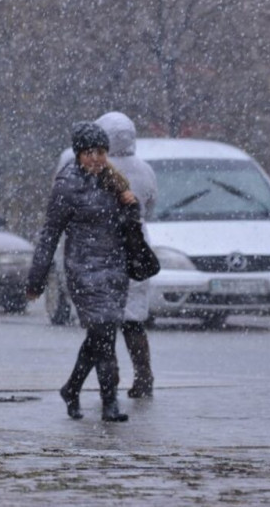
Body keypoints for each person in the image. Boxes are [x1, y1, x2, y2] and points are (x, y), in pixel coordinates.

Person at [28, 122, 138, 422]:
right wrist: (36, 278)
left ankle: (72, 388)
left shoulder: (115, 181)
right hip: (83, 270)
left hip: (114, 270)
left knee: (100, 336)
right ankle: (109, 402)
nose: (96, 158)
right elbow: (50, 233)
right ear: (78, 154)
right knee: (103, 335)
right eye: (89, 152)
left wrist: (130, 205)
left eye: (101, 152)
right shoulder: (66, 185)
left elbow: (129, 226)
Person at [94, 112, 157, 398]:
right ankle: (143, 375)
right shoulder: (144, 170)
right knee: (134, 320)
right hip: (136, 249)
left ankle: (110, 379)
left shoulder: (93, 168)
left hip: (102, 249)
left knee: (103, 322)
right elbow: (150, 207)